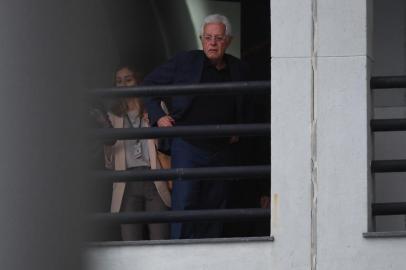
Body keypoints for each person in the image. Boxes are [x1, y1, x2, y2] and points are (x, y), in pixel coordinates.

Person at [144, 14, 250, 239]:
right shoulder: (185, 61)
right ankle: (179, 260)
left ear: (228, 41)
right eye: (208, 37)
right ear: (201, 39)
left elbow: (250, 103)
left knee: (215, 211)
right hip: (188, 147)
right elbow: (148, 85)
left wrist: (239, 127)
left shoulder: (238, 68)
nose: (212, 43)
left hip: (222, 150)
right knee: (184, 207)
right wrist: (158, 117)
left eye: (218, 38)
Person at [105, 65, 171, 241]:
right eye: (119, 82)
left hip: (154, 179)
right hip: (126, 183)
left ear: (138, 81)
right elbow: (109, 163)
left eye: (128, 80)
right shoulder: (112, 115)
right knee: (130, 241)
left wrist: (154, 125)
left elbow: (167, 146)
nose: (124, 85)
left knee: (160, 240)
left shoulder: (155, 107)